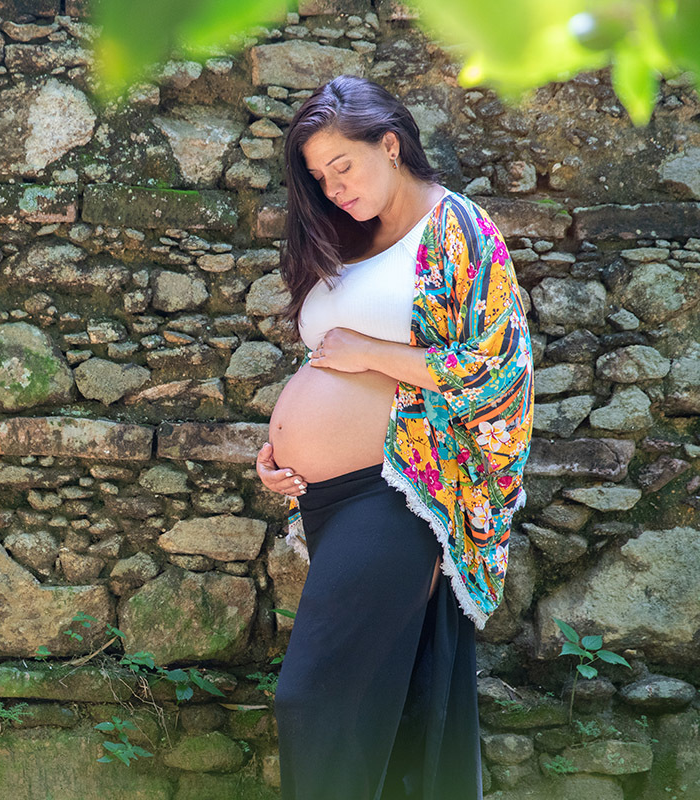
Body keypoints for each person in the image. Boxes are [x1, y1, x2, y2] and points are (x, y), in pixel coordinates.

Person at [255, 75, 534, 799]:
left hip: (401, 492)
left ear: (390, 143)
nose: (333, 188)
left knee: (313, 699)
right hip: (329, 499)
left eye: (342, 167)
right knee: (393, 707)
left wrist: (370, 354)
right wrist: (282, 455)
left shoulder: (458, 229)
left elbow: (498, 369)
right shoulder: (351, 241)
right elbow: (328, 359)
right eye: (319, 178)